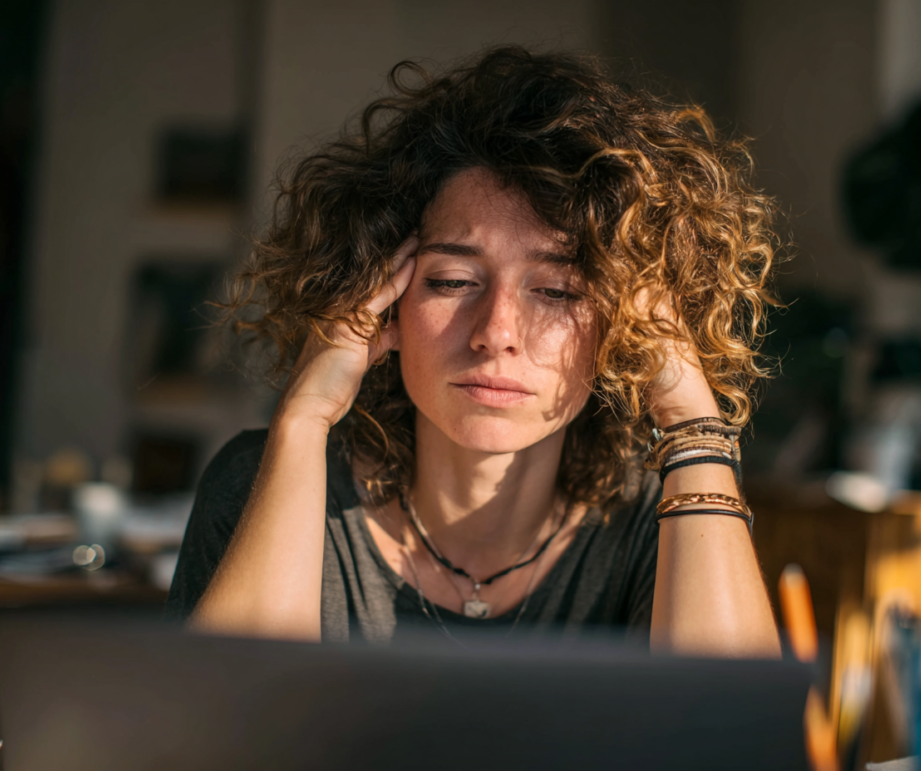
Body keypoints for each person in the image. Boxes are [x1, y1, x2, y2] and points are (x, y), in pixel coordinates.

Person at [165, 46, 782, 656]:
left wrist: (689, 421)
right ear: (382, 301)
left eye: (558, 290)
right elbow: (222, 734)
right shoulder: (261, 479)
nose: (497, 331)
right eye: (453, 281)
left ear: (627, 322)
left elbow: (735, 737)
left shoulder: (662, 518)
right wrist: (303, 421)